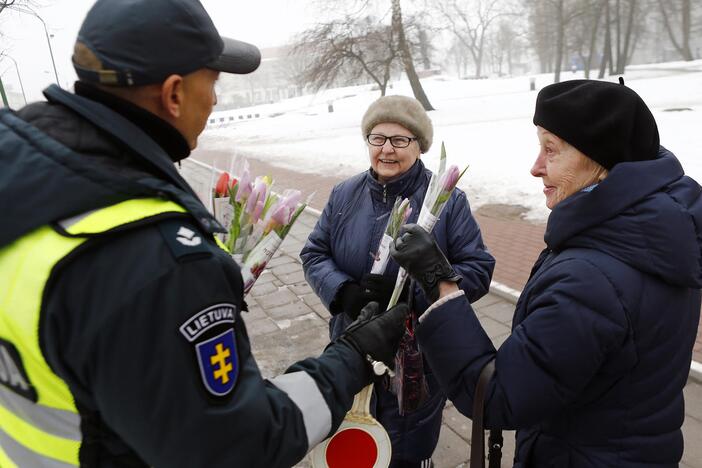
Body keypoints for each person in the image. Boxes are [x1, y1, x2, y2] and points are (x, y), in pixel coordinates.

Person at [0, 1, 409, 466]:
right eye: (211, 82)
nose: (214, 99)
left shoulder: (21, 178)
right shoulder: (159, 258)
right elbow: (238, 443)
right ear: (174, 94)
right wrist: (352, 357)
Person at [390, 79, 702, 467]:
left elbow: (499, 395)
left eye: (550, 150)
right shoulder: (656, 233)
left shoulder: (592, 278)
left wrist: (440, 282)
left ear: (602, 163)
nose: (536, 167)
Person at [301, 95, 495, 467]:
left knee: (407, 445)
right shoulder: (345, 194)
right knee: (357, 442)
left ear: (419, 145)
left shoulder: (446, 201)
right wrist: (345, 293)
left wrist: (422, 285)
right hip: (352, 346)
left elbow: (479, 268)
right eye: (378, 138)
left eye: (400, 139)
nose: (387, 149)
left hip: (417, 356)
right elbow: (314, 253)